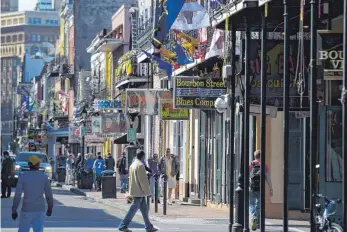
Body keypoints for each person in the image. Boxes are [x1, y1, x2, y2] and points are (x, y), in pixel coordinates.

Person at [118, 150, 158, 232]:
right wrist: (147, 192)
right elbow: (143, 181)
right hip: (139, 191)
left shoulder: (133, 164)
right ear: (143, 156)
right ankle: (123, 225)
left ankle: (148, 226)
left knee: (144, 210)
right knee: (133, 210)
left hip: (135, 190)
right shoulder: (140, 165)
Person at [12, 155, 53, 232]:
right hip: (40, 210)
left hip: (26, 210)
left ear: (29, 164)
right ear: (38, 165)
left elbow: (17, 195)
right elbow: (49, 195)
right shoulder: (44, 177)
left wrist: (14, 210)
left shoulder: (23, 176)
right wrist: (50, 207)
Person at [249, 150, 273, 231]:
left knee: (251, 204)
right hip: (260, 188)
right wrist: (271, 188)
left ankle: (254, 218)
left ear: (254, 156)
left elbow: (247, 176)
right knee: (258, 204)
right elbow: (267, 178)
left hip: (251, 187)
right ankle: (258, 222)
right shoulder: (264, 166)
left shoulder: (251, 164)